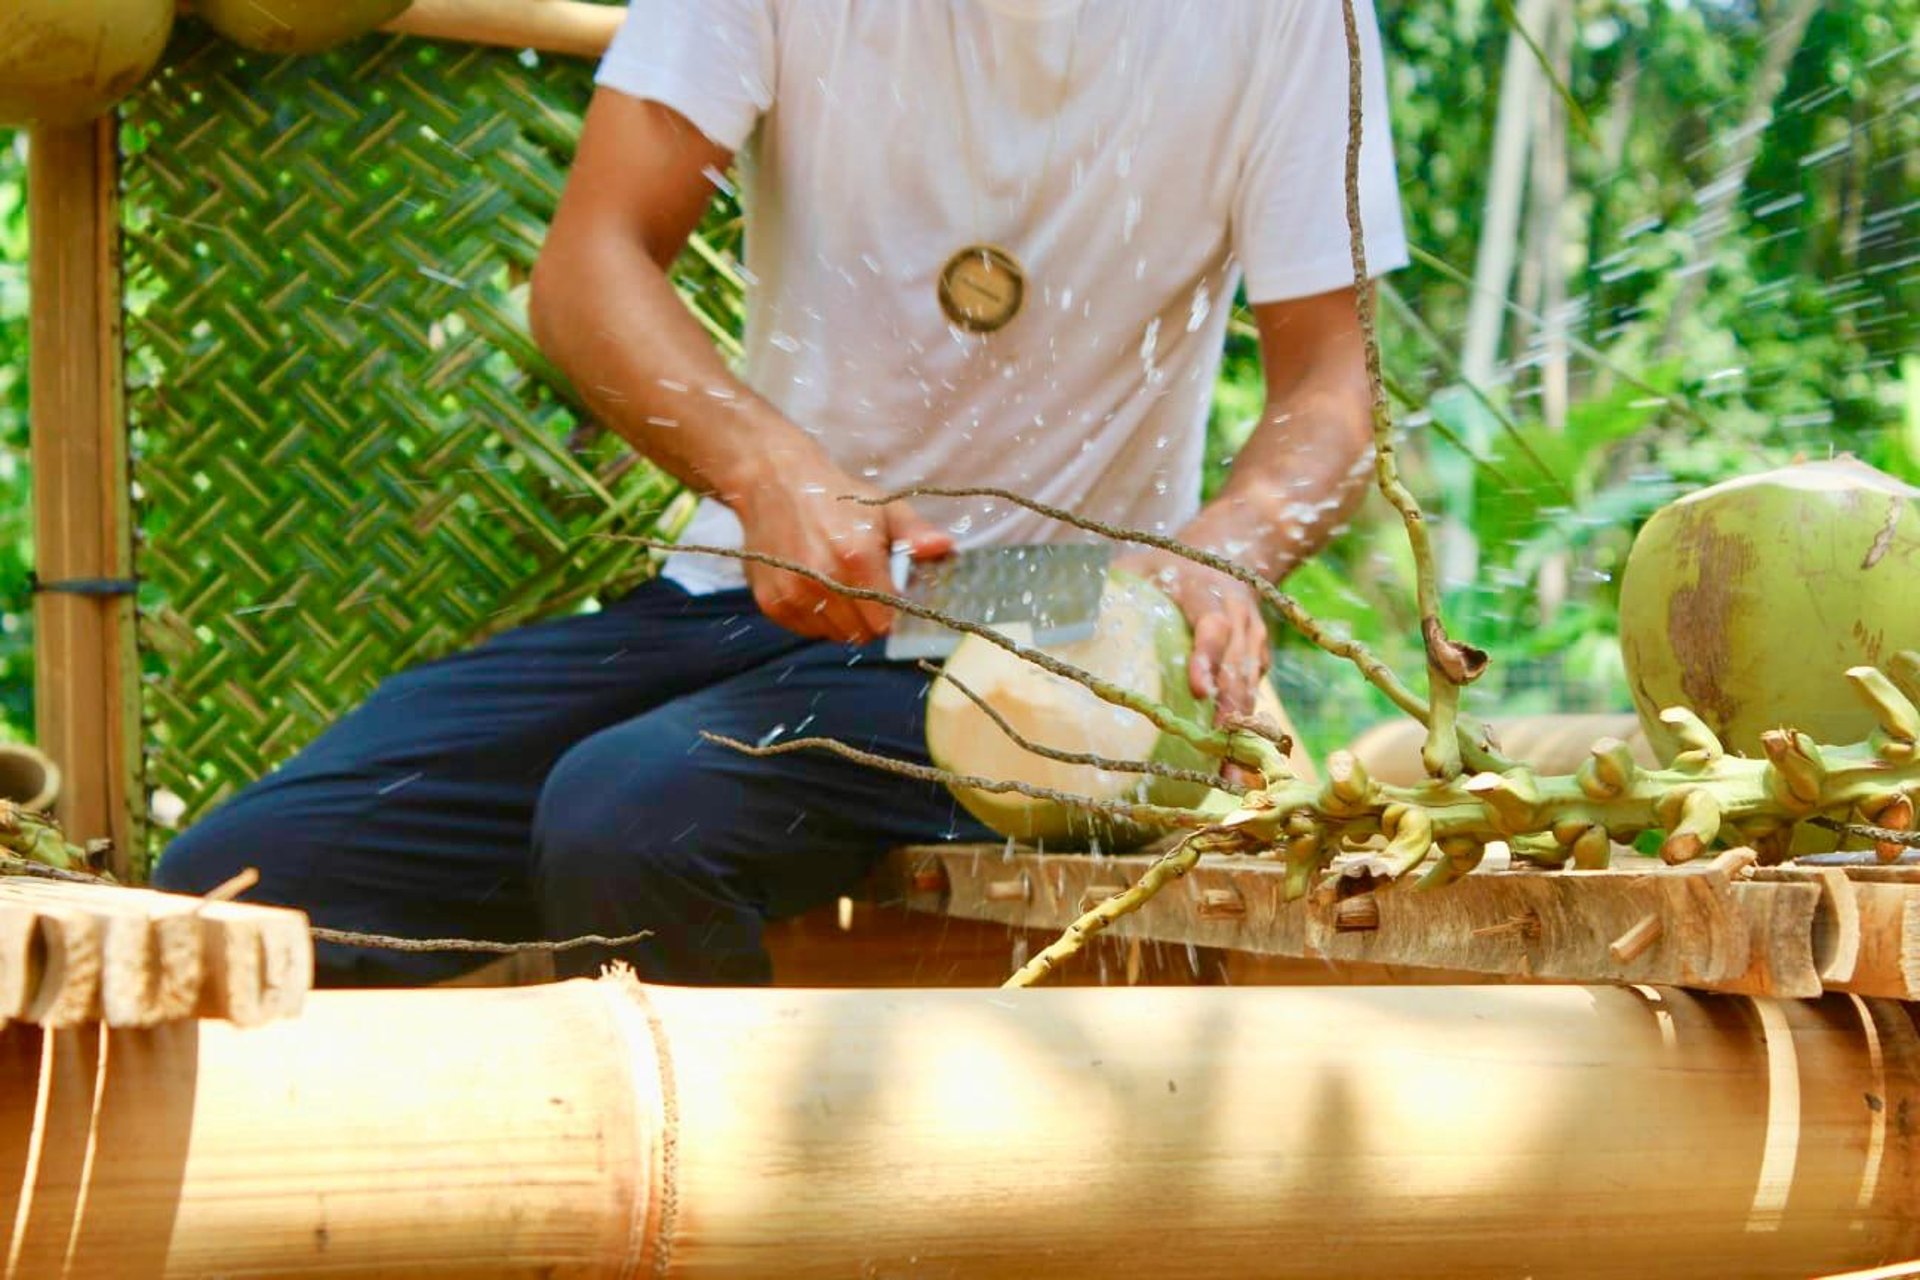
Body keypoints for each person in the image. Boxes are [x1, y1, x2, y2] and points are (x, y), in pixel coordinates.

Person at [152, 0, 1407, 987]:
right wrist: (770, 473)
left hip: (1053, 622)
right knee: (237, 878)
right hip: (744, 581)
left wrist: (1226, 549)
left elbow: (1333, 386)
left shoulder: (1289, 11)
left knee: (626, 815)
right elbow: (589, 264)